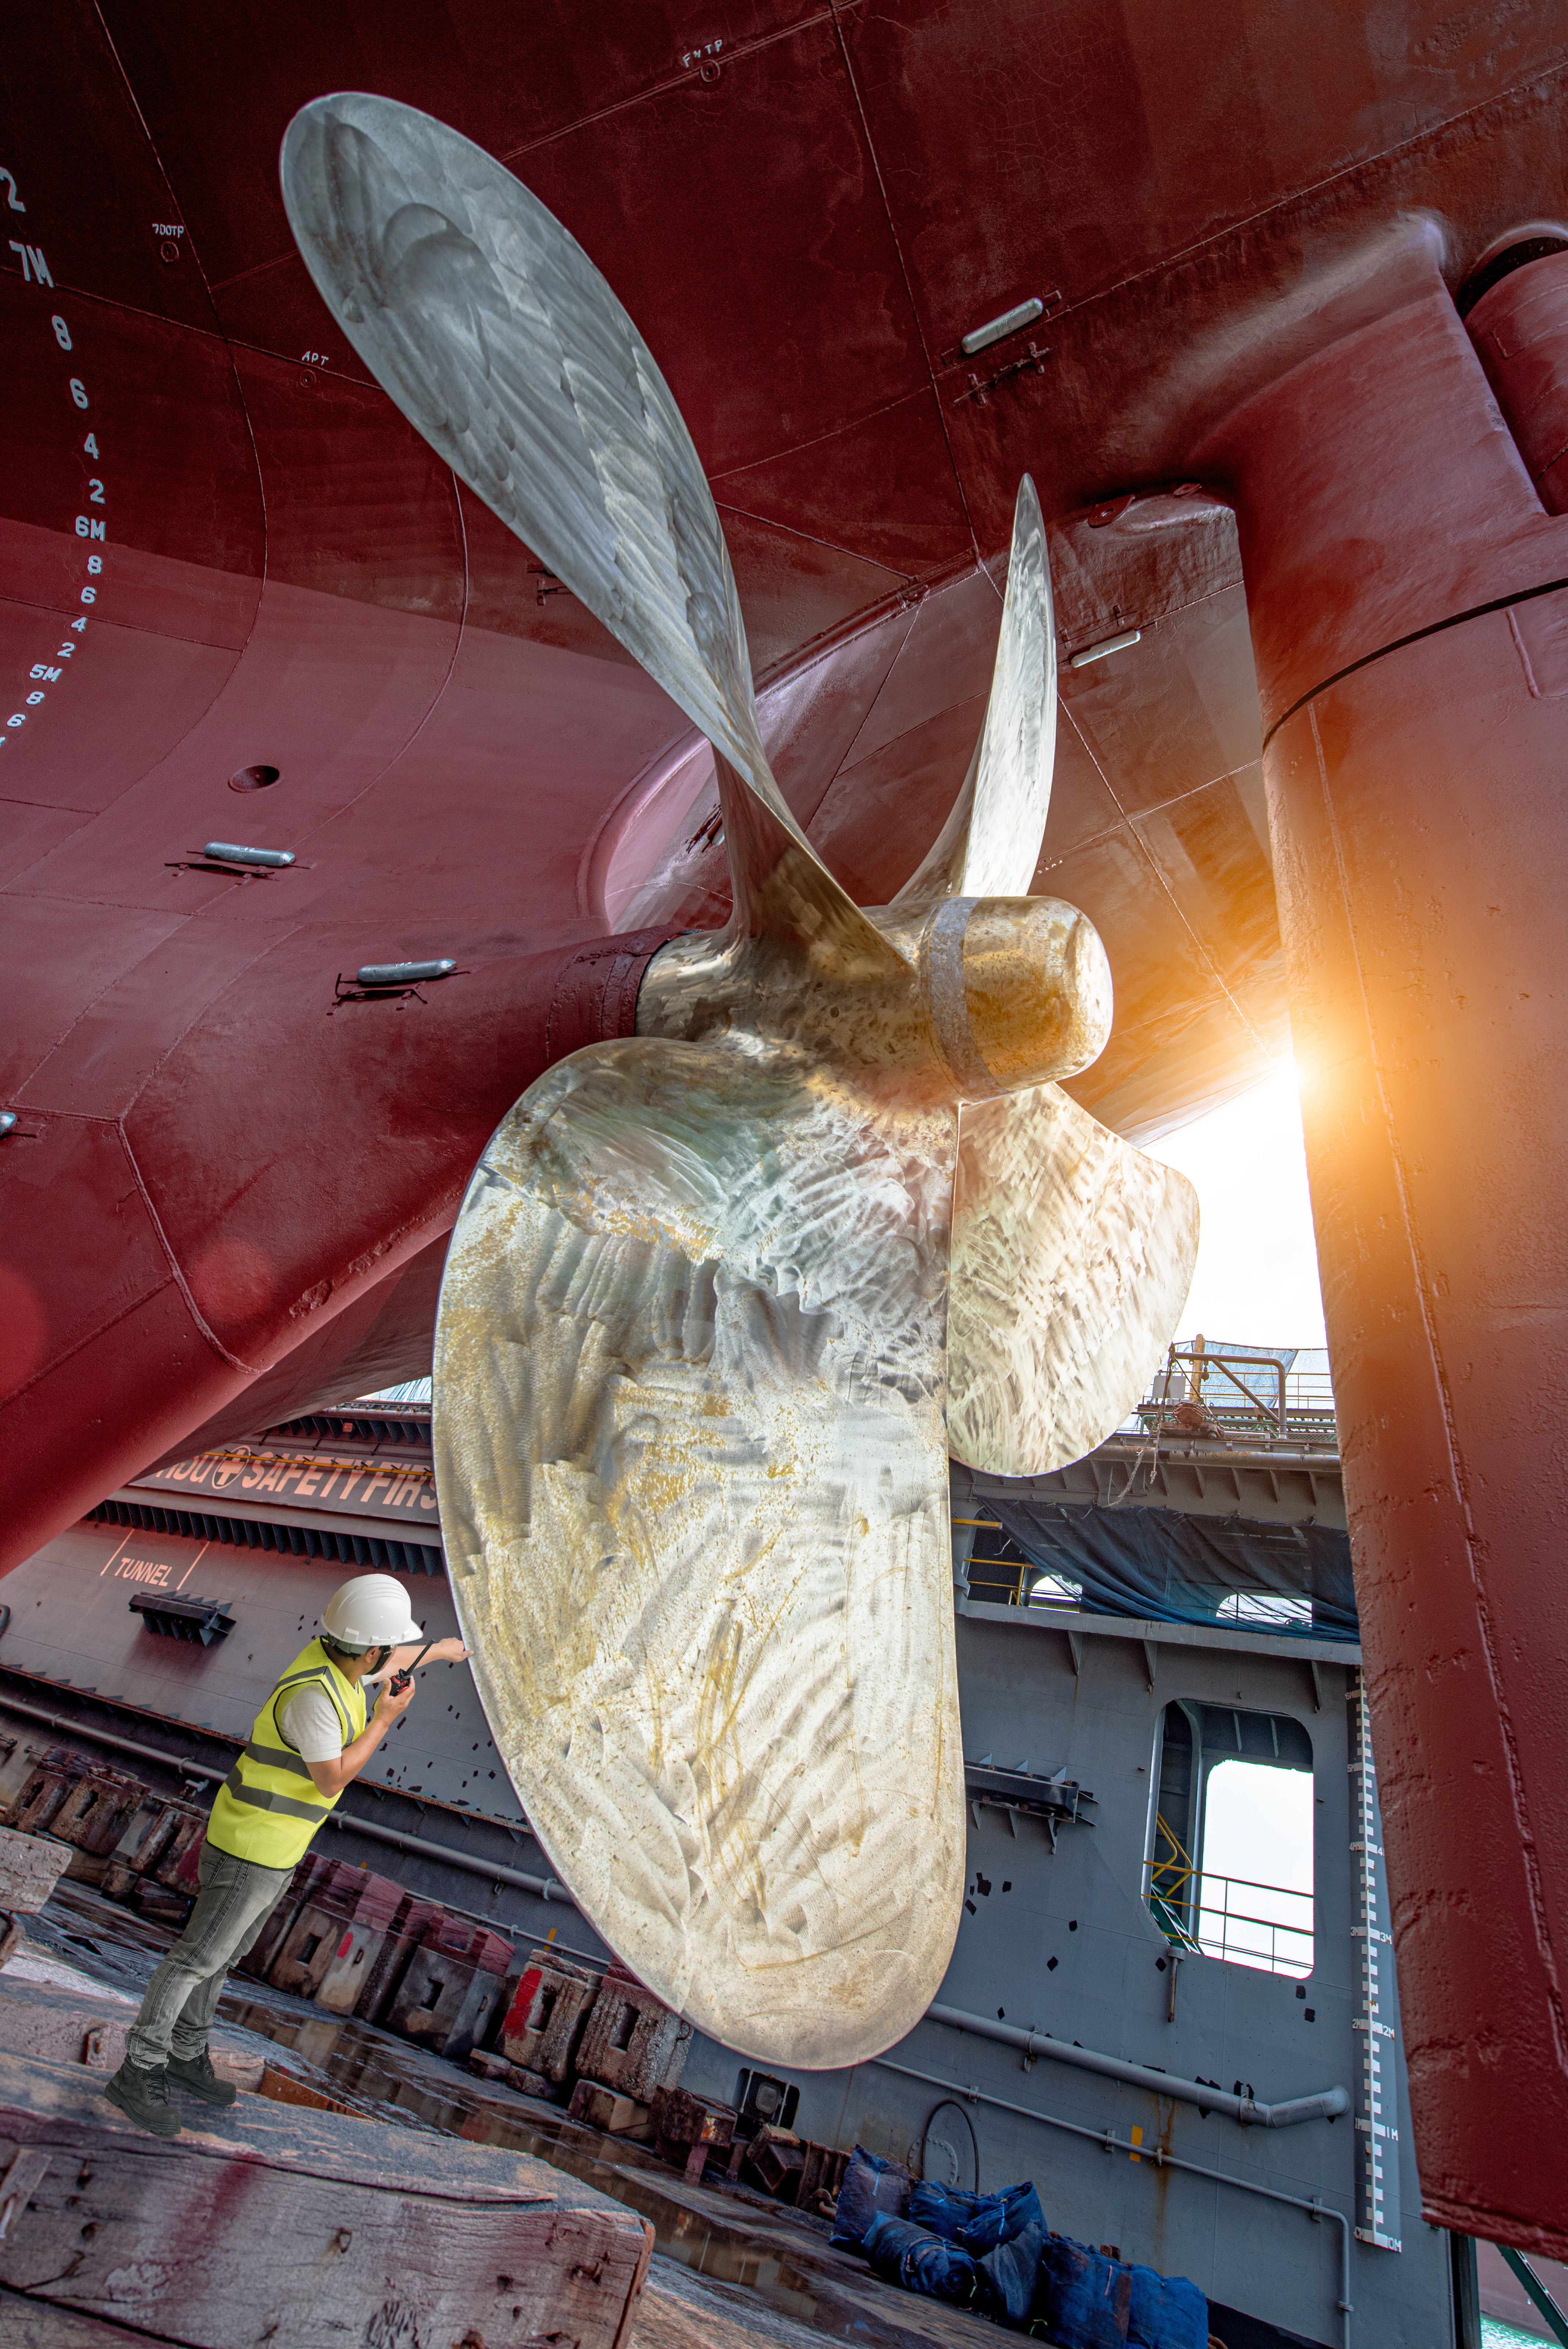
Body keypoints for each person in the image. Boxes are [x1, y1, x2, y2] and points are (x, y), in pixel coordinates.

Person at [104, 1572, 468, 2137]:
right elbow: (332, 1779)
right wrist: (383, 1721)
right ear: (369, 1649)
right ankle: (140, 2068)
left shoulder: (342, 1660)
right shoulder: (314, 1700)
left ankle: (186, 2052)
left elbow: (393, 1653)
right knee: (197, 1958)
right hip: (249, 1847)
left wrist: (443, 1650)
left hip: (274, 1849)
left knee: (223, 1956)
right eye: (384, 1647)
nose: (388, 1655)